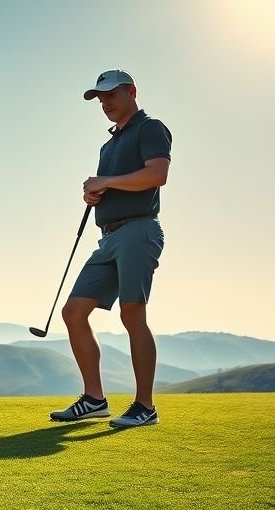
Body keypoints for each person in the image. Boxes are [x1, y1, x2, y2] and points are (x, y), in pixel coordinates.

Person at [49, 69, 171, 428]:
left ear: (132, 91)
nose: (105, 103)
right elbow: (115, 185)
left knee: (132, 315)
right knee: (73, 312)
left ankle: (145, 406)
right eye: (100, 98)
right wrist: (95, 194)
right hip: (109, 237)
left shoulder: (150, 128)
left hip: (139, 230)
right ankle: (94, 399)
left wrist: (107, 181)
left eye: (111, 95)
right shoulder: (108, 145)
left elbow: (157, 174)